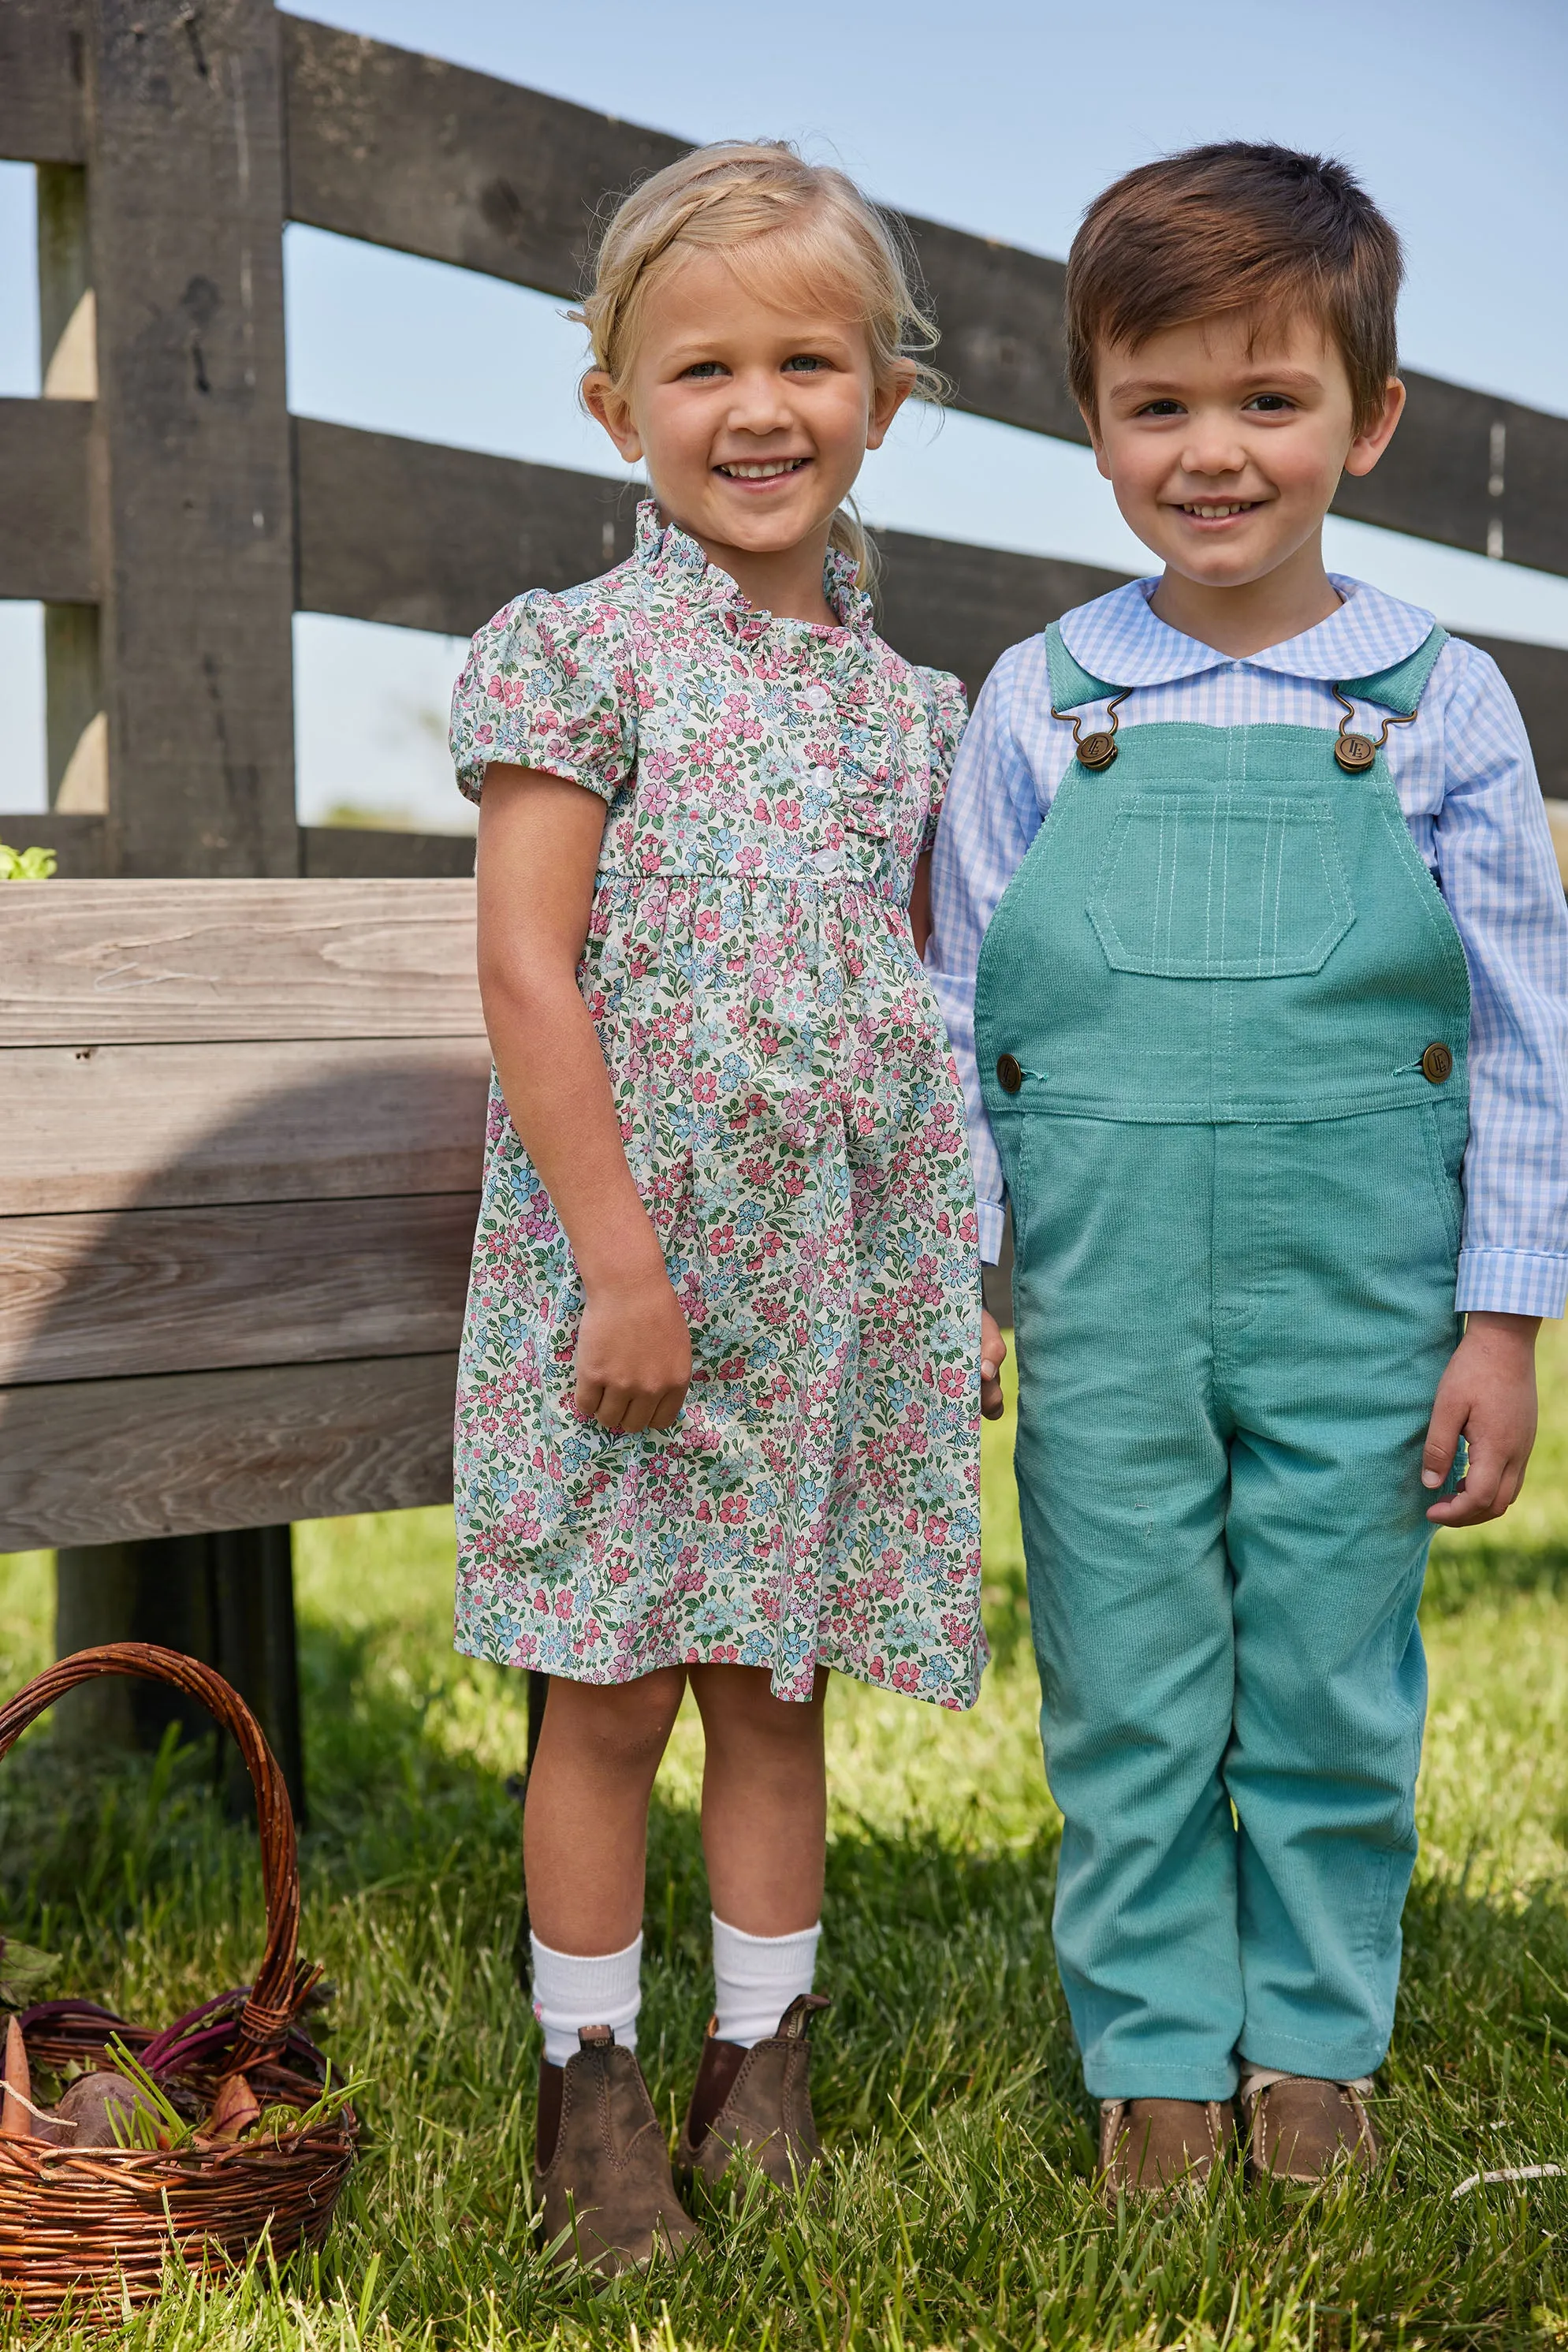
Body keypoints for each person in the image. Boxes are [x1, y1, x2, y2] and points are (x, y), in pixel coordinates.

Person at [928, 142, 1568, 2200]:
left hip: (1359, 1292)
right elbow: (955, 1016)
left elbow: (1520, 1036)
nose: (1214, 452)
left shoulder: (1436, 699)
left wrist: (1502, 1317)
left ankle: (1305, 2048)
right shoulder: (1040, 703)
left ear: (1363, 421)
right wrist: (957, 1276)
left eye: (1267, 399)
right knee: (1123, 1667)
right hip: (1103, 1293)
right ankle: (1149, 2059)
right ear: (1094, 419)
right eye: (1160, 403)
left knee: (1322, 1666)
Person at [449, 141, 1002, 2277]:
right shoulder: (576, 652)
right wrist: (617, 1268)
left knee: (775, 1687)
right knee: (609, 1687)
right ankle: (586, 2078)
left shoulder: (903, 710)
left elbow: (913, 1013)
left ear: (881, 395)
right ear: (615, 408)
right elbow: (524, 966)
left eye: (804, 359)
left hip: (831, 1286)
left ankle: (756, 2062)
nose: (754, 407)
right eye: (699, 367)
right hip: (629, 1284)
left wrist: (949, 1282)